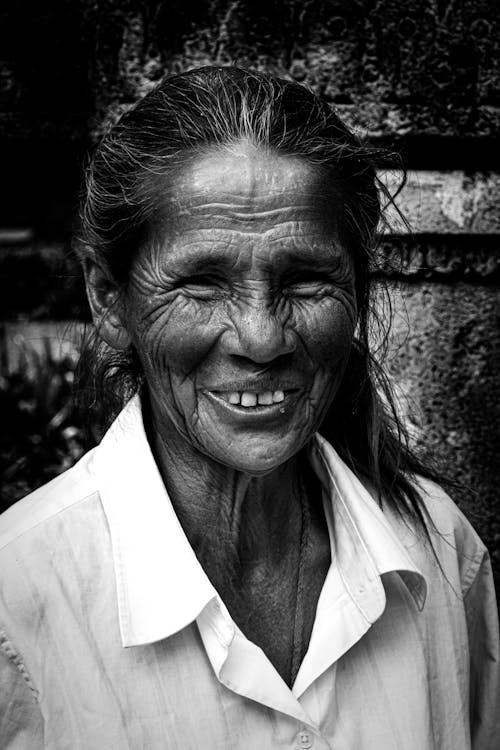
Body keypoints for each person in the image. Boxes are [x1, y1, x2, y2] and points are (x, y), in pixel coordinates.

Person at [0, 66, 498, 750]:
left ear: (357, 290)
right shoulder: (16, 601)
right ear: (110, 301)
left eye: (306, 279)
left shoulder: (441, 555)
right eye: (202, 284)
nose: (261, 339)